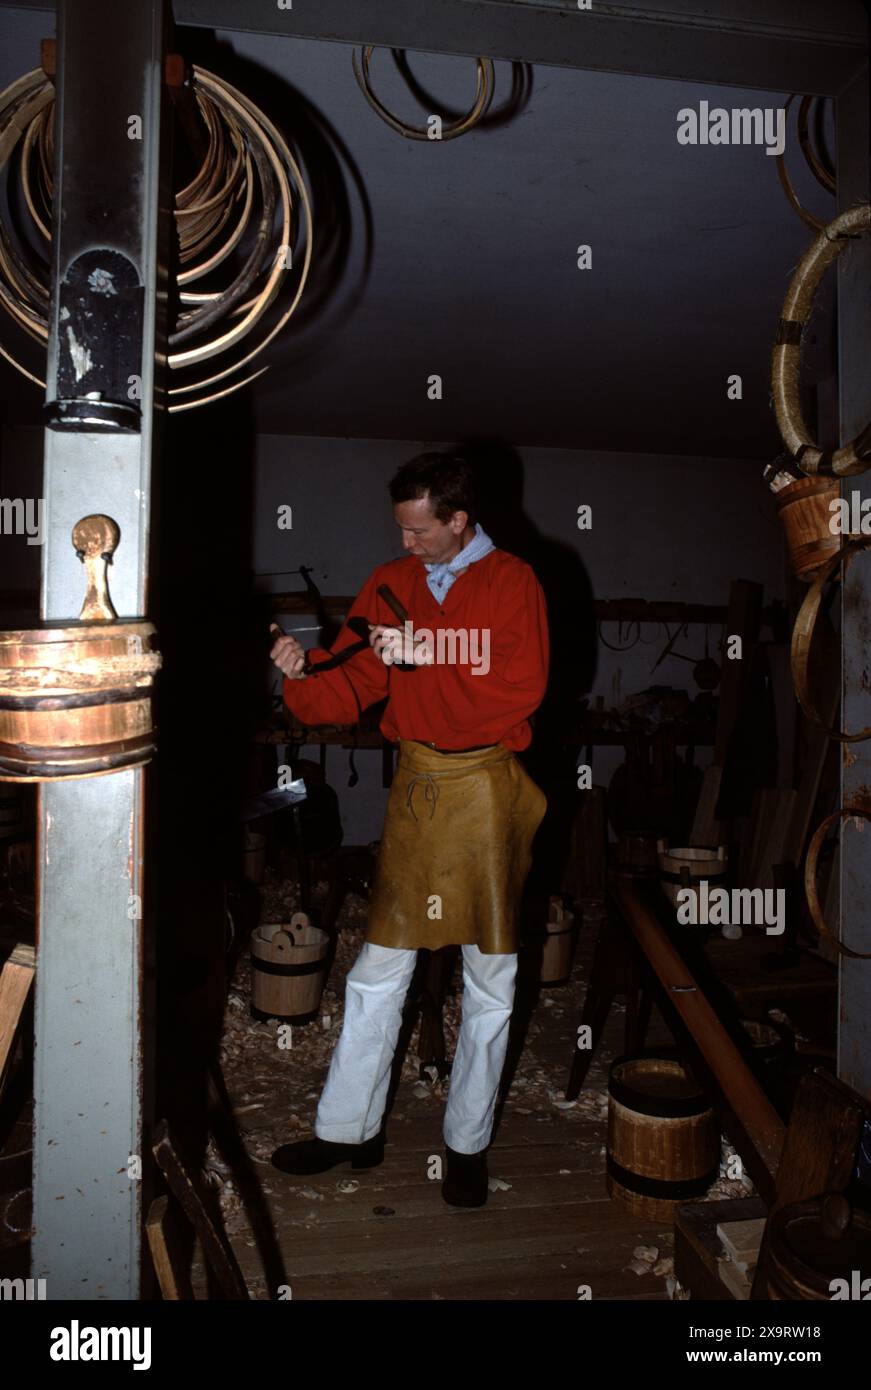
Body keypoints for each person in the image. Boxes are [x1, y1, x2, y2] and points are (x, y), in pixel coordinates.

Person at [268, 452, 549, 1207]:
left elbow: (521, 683)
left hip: (485, 789)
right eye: (400, 529)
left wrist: (432, 652)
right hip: (419, 788)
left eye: (420, 531)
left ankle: (467, 1145)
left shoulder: (512, 581)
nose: (406, 544)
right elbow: (355, 676)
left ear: (459, 519)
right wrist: (302, 675)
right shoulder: (390, 583)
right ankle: (348, 1130)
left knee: (490, 980)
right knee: (377, 969)